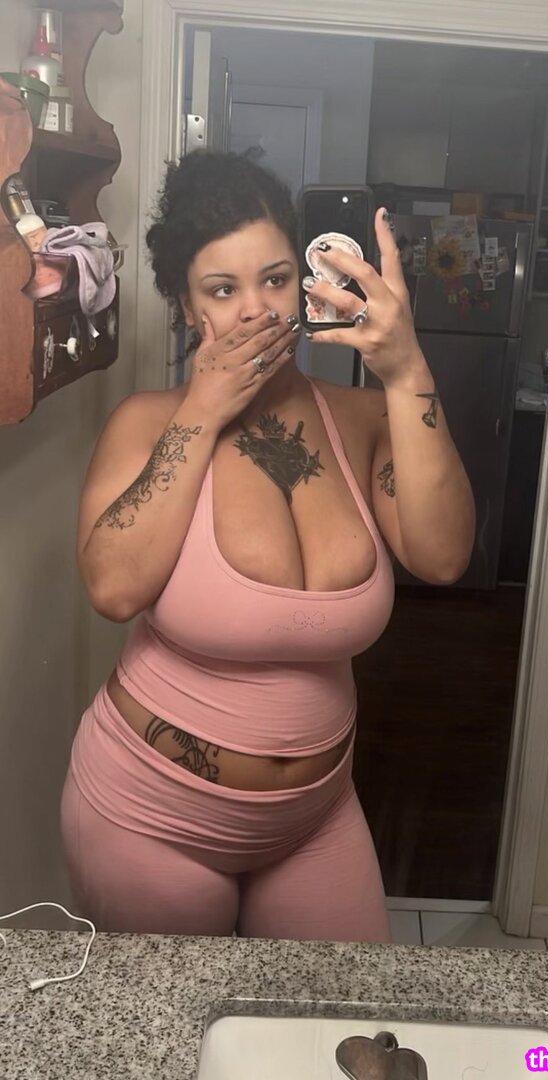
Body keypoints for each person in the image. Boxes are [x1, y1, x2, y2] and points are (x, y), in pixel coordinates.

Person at [60, 150, 475, 942]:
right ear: (189, 308)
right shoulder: (147, 423)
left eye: (276, 280)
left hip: (314, 821)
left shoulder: (362, 419)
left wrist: (406, 370)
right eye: (223, 289)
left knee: (342, 1009)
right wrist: (202, 410)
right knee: (172, 1022)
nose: (256, 310)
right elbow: (113, 590)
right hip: (149, 818)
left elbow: (443, 554)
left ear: (306, 283)